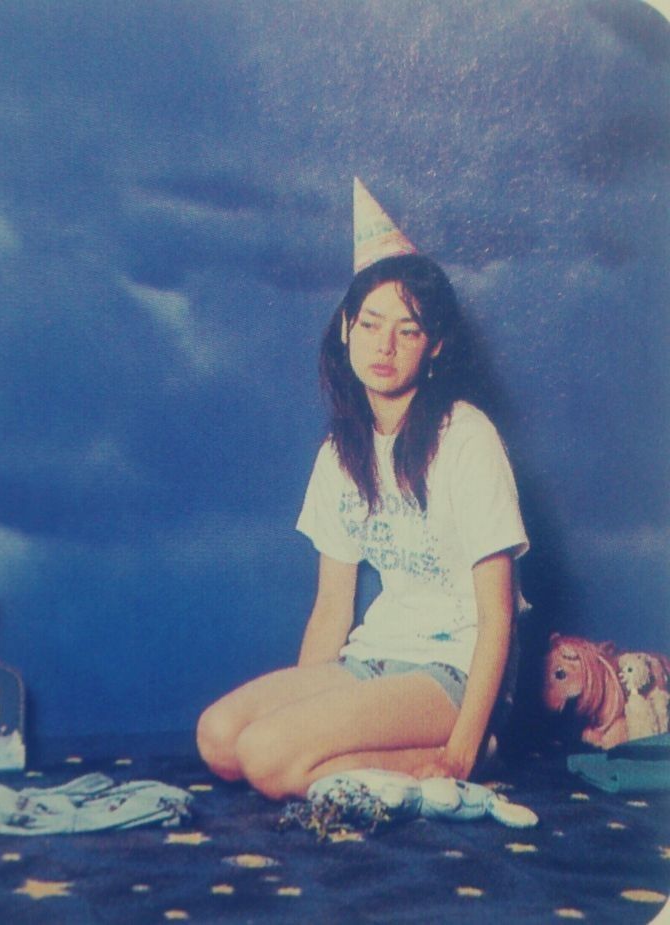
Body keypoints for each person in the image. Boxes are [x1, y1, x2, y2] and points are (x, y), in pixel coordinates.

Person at [196, 178, 528, 800]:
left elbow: (498, 613)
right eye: (371, 323)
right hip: (370, 661)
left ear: (435, 346)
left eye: (408, 330)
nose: (385, 344)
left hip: (450, 672)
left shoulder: (466, 437)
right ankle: (346, 758)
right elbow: (331, 607)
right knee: (221, 739)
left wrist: (459, 753)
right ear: (346, 328)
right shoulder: (341, 452)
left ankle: (476, 751)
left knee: (269, 761)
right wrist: (300, 719)